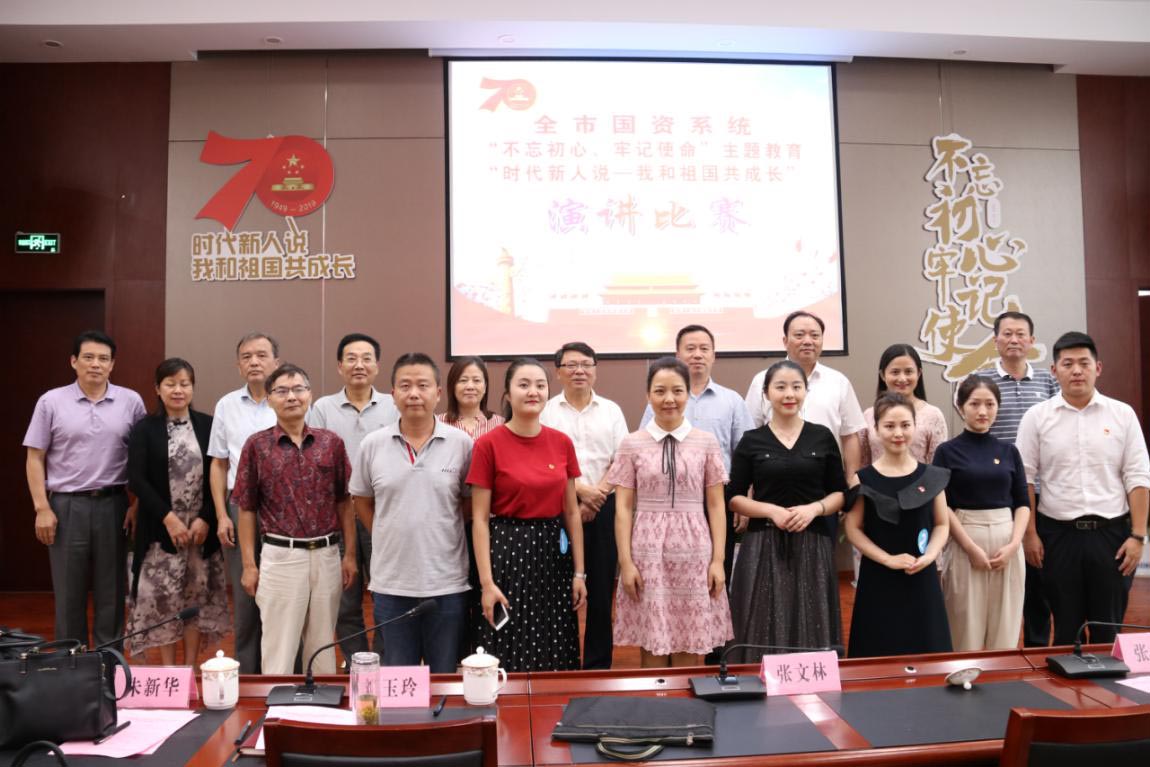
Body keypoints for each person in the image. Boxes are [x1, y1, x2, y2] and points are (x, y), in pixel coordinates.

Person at [1017, 331, 1150, 646]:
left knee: (1108, 629)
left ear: (1098, 368)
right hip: (1057, 536)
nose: (1076, 370)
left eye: (1084, 363)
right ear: (1054, 371)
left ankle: (1107, 679)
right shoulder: (1037, 417)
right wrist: (1030, 534)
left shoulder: (1122, 414)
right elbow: (1025, 479)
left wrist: (1138, 536)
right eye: (1067, 364)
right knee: (1066, 629)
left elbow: (1138, 476)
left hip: (1112, 536)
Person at [350, 353, 472, 673]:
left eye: (423, 385)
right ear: (393, 394)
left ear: (438, 393)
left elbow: (469, 503)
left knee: (444, 676)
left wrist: (440, 525)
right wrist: (386, 529)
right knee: (397, 677)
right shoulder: (373, 444)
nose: (414, 393)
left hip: (446, 583)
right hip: (392, 584)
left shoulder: (461, 444)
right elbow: (361, 500)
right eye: (405, 386)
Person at [232, 363, 356, 675]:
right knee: (279, 652)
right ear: (269, 399)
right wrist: (249, 565)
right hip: (281, 557)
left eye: (299, 389)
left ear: (310, 395)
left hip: (327, 555)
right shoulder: (257, 446)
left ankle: (323, 707)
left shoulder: (331, 443)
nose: (291, 397)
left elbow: (344, 502)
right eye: (282, 391)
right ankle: (276, 707)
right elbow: (246, 508)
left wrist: (350, 555)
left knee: (323, 651)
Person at [24, 330, 146, 647]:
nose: (96, 364)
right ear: (73, 361)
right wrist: (42, 507)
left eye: (103, 359)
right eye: (88, 357)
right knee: (69, 594)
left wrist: (137, 504)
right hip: (66, 507)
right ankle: (71, 666)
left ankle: (109, 665)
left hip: (114, 504)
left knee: (112, 594)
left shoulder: (131, 401)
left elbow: (143, 457)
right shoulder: (51, 401)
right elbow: (35, 457)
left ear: (112, 364)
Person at [609, 356, 732, 667]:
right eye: (660, 391)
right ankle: (657, 699)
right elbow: (623, 508)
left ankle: (686, 700)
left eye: (677, 391)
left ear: (688, 394)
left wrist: (718, 560)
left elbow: (716, 505)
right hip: (647, 552)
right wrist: (626, 563)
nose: (669, 399)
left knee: (691, 641)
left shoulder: (706, 442)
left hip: (695, 552)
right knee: (652, 641)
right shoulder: (631, 444)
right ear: (647, 395)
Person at [466, 358, 587, 672]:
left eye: (540, 385)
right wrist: (487, 583)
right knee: (507, 639)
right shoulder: (487, 445)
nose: (533, 392)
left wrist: (579, 573)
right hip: (507, 553)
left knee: (554, 640)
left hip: (553, 555)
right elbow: (480, 519)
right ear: (507, 394)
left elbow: (571, 512)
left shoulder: (561, 443)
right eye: (523, 385)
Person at [726, 361, 846, 660]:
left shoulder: (822, 436)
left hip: (813, 543)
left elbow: (840, 493)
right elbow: (734, 498)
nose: (789, 394)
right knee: (763, 619)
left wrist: (815, 509)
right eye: (780, 387)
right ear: (766, 393)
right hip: (763, 544)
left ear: (806, 391)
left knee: (812, 619)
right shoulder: (752, 440)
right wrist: (771, 511)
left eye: (796, 386)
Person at [126, 358, 228, 663]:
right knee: (162, 600)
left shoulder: (209, 425)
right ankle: (170, 669)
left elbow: (220, 474)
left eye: (184, 383)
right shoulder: (144, 429)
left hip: (200, 532)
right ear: (158, 389)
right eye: (170, 384)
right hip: (160, 529)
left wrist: (206, 518)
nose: (178, 390)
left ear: (193, 388)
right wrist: (168, 519)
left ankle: (190, 667)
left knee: (195, 597)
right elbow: (137, 479)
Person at [308, 333, 399, 662]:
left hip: (382, 513)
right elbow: (313, 460)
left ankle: (383, 661)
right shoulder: (322, 408)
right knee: (345, 598)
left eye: (366, 358)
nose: (359, 365)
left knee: (387, 593)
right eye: (351, 358)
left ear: (377, 366)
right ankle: (357, 662)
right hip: (338, 515)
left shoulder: (393, 405)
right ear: (339, 366)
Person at [973, 311, 1060, 647]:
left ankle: (1037, 647)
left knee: (1038, 574)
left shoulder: (1048, 382)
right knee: (1002, 573)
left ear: (1032, 341)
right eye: (1007, 333)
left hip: (1040, 490)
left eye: (1020, 334)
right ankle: (999, 647)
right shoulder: (982, 381)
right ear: (995, 340)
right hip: (997, 491)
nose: (1014, 340)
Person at [540, 342, 628, 670]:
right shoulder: (547, 411)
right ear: (558, 372)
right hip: (558, 507)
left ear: (595, 370)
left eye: (586, 364)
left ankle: (597, 666)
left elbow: (622, 459)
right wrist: (580, 492)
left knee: (602, 590)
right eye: (571, 365)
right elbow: (543, 460)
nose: (579, 370)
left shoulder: (611, 410)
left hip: (604, 509)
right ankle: (561, 661)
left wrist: (597, 495)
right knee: (558, 587)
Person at [845, 393, 951, 657]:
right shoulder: (863, 478)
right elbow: (853, 528)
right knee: (878, 652)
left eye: (905, 425)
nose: (898, 433)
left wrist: (930, 556)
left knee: (928, 650)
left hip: (921, 574)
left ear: (915, 426)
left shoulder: (932, 475)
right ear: (876, 429)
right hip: (878, 576)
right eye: (889, 426)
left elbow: (941, 524)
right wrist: (887, 559)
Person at [932, 376, 1029, 651]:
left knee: (1005, 626)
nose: (982, 411)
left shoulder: (1009, 451)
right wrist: (969, 547)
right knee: (964, 625)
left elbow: (1022, 503)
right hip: (965, 538)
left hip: (1006, 538)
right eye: (974, 404)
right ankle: (964, 674)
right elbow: (942, 504)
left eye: (990, 404)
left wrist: (1014, 544)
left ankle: (1001, 677)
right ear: (961, 406)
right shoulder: (946, 451)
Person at [207, 332, 280, 673]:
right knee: (246, 594)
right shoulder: (226, 405)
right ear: (238, 366)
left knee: (283, 595)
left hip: (283, 509)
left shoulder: (291, 398)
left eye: (262, 355)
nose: (254, 361)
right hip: (240, 507)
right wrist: (222, 514)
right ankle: (249, 676)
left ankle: (285, 672)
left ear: (276, 362)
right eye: (247, 356)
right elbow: (219, 463)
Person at [745, 311, 865, 480]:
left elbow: (850, 435)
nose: (808, 341)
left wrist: (852, 482)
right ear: (785, 341)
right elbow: (751, 431)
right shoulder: (762, 380)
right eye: (799, 335)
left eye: (815, 335)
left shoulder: (839, 382)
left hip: (827, 480)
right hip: (772, 479)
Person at [859, 344, 947, 466]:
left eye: (908, 372)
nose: (902, 378)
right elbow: (863, 464)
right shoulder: (869, 415)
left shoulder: (933, 415)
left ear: (919, 373)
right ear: (883, 375)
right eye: (895, 372)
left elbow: (938, 465)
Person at [439, 356, 505, 439]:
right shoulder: (438, 424)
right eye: (463, 380)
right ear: (452, 386)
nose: (470, 386)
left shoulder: (500, 424)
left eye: (476, 380)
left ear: (485, 387)